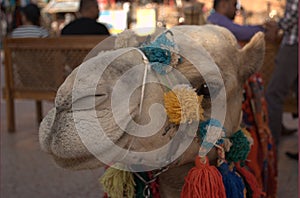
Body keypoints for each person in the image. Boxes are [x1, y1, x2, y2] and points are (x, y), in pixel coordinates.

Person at [265, 0, 298, 147]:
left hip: (293, 45)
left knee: (273, 94)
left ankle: (272, 144)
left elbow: (293, 14)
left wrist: (277, 25)